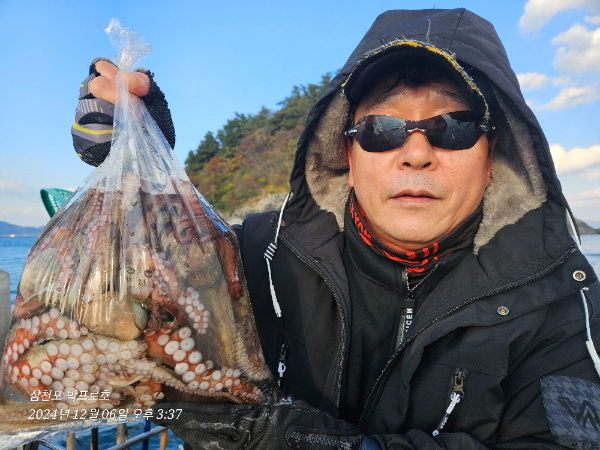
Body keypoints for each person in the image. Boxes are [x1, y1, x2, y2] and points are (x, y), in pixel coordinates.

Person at [73, 8, 600, 450]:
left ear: (491, 157)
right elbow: (134, 296)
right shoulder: (256, 257)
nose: (416, 153)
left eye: (453, 127)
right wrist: (141, 164)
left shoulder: (562, 307)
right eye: (383, 128)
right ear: (349, 152)